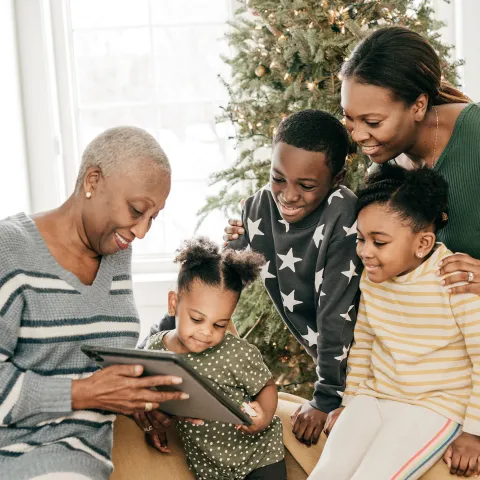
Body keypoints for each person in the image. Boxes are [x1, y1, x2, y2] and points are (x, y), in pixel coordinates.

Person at [0, 126, 189, 480]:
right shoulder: (8, 249)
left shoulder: (116, 254)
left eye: (153, 217)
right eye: (136, 210)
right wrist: (82, 393)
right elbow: (84, 384)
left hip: (79, 464)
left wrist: (137, 403)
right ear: (92, 180)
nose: (142, 231)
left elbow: (90, 358)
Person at [176, 109, 360, 447]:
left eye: (306, 185)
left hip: (365, 359)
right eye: (278, 178)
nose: (288, 195)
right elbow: (224, 278)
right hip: (328, 360)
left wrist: (327, 398)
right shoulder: (259, 206)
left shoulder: (342, 212)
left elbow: (336, 313)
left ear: (336, 179)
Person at [309, 164, 480, 480]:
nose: (365, 252)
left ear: (423, 244)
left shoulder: (455, 280)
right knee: (326, 473)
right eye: (360, 239)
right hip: (376, 396)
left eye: (379, 242)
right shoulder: (372, 279)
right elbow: (365, 343)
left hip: (434, 405)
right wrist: (350, 401)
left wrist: (474, 432)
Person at [339, 25, 480, 295]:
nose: (357, 134)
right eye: (348, 117)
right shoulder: (385, 169)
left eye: (372, 121)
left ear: (418, 106)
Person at [140, 237, 286, 480]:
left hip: (259, 456)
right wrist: (154, 425)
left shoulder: (235, 352)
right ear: (173, 303)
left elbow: (267, 386)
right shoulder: (155, 349)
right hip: (209, 469)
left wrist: (264, 417)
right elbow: (155, 396)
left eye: (220, 324)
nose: (207, 332)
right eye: (197, 319)